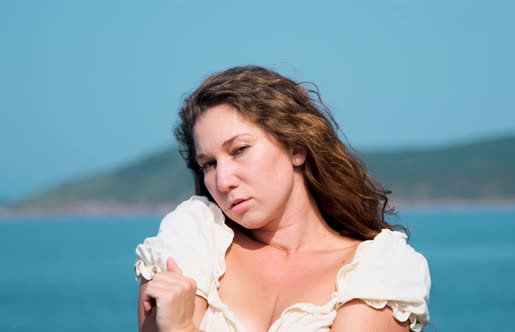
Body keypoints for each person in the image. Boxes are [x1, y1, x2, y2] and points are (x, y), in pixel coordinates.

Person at [134, 65, 431, 332]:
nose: (222, 181)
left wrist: (182, 328)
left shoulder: (380, 270)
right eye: (208, 164)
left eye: (239, 150)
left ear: (296, 149)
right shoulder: (193, 236)